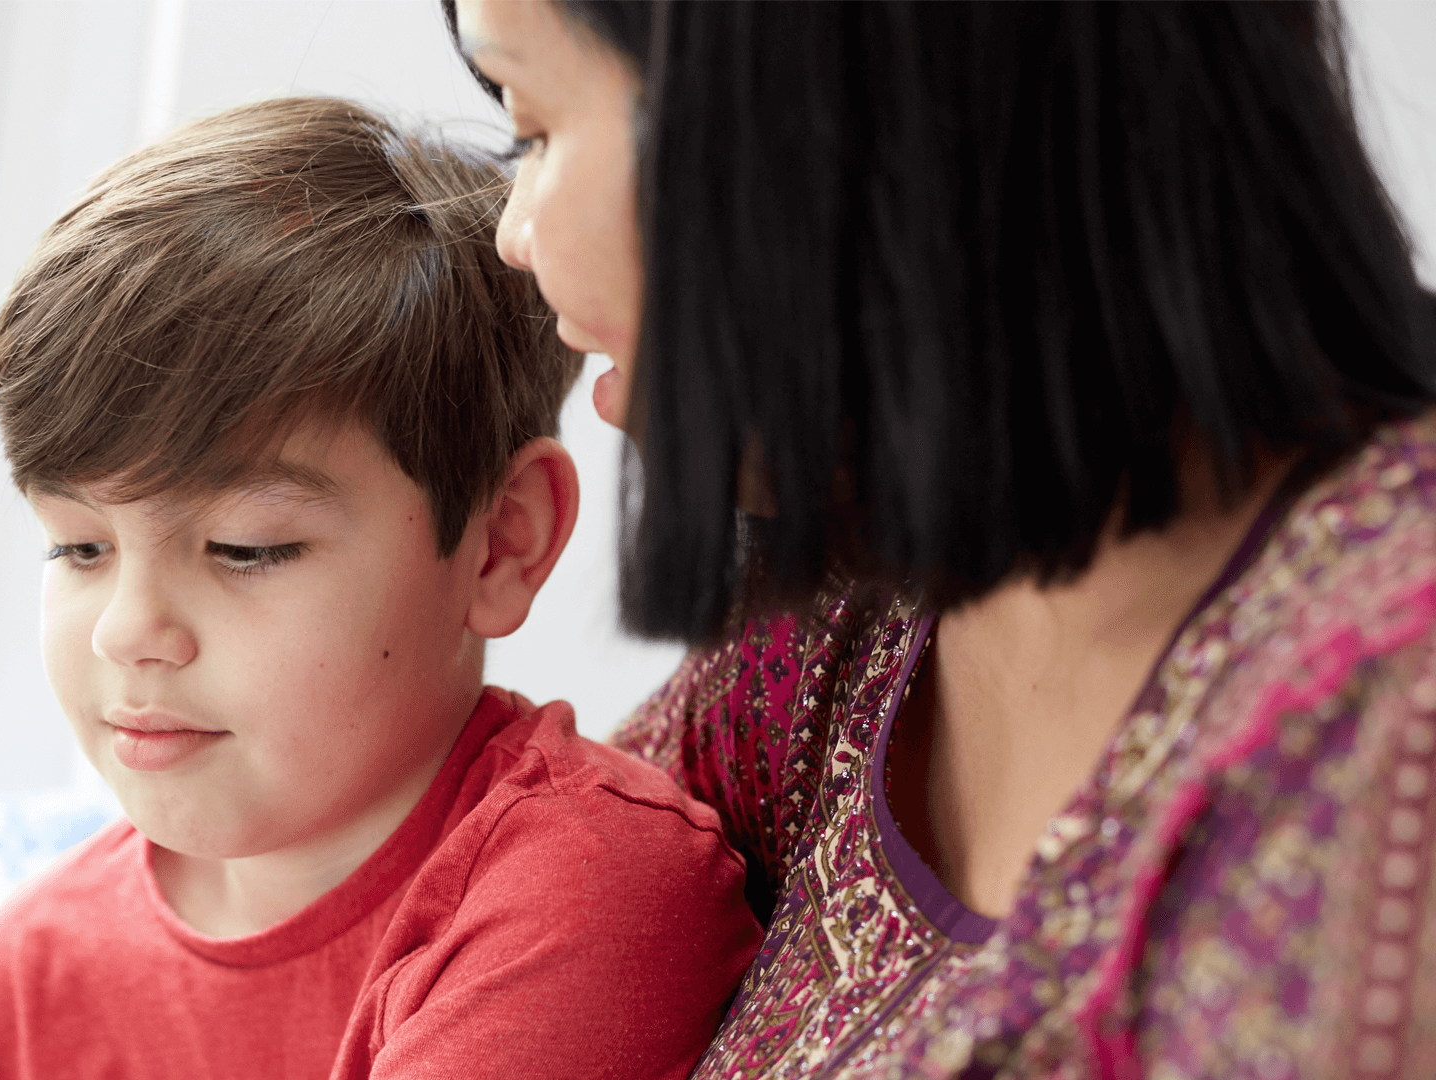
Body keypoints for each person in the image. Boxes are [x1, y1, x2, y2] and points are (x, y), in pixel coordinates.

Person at [452, 0, 1436, 1077]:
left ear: (828, 106)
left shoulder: (1388, 759)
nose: (515, 235)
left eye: (533, 126)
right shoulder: (843, 612)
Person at [0, 97, 761, 1080]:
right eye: (79, 549)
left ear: (500, 545)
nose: (128, 632)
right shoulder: (20, 984)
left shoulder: (581, 897)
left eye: (243, 549)